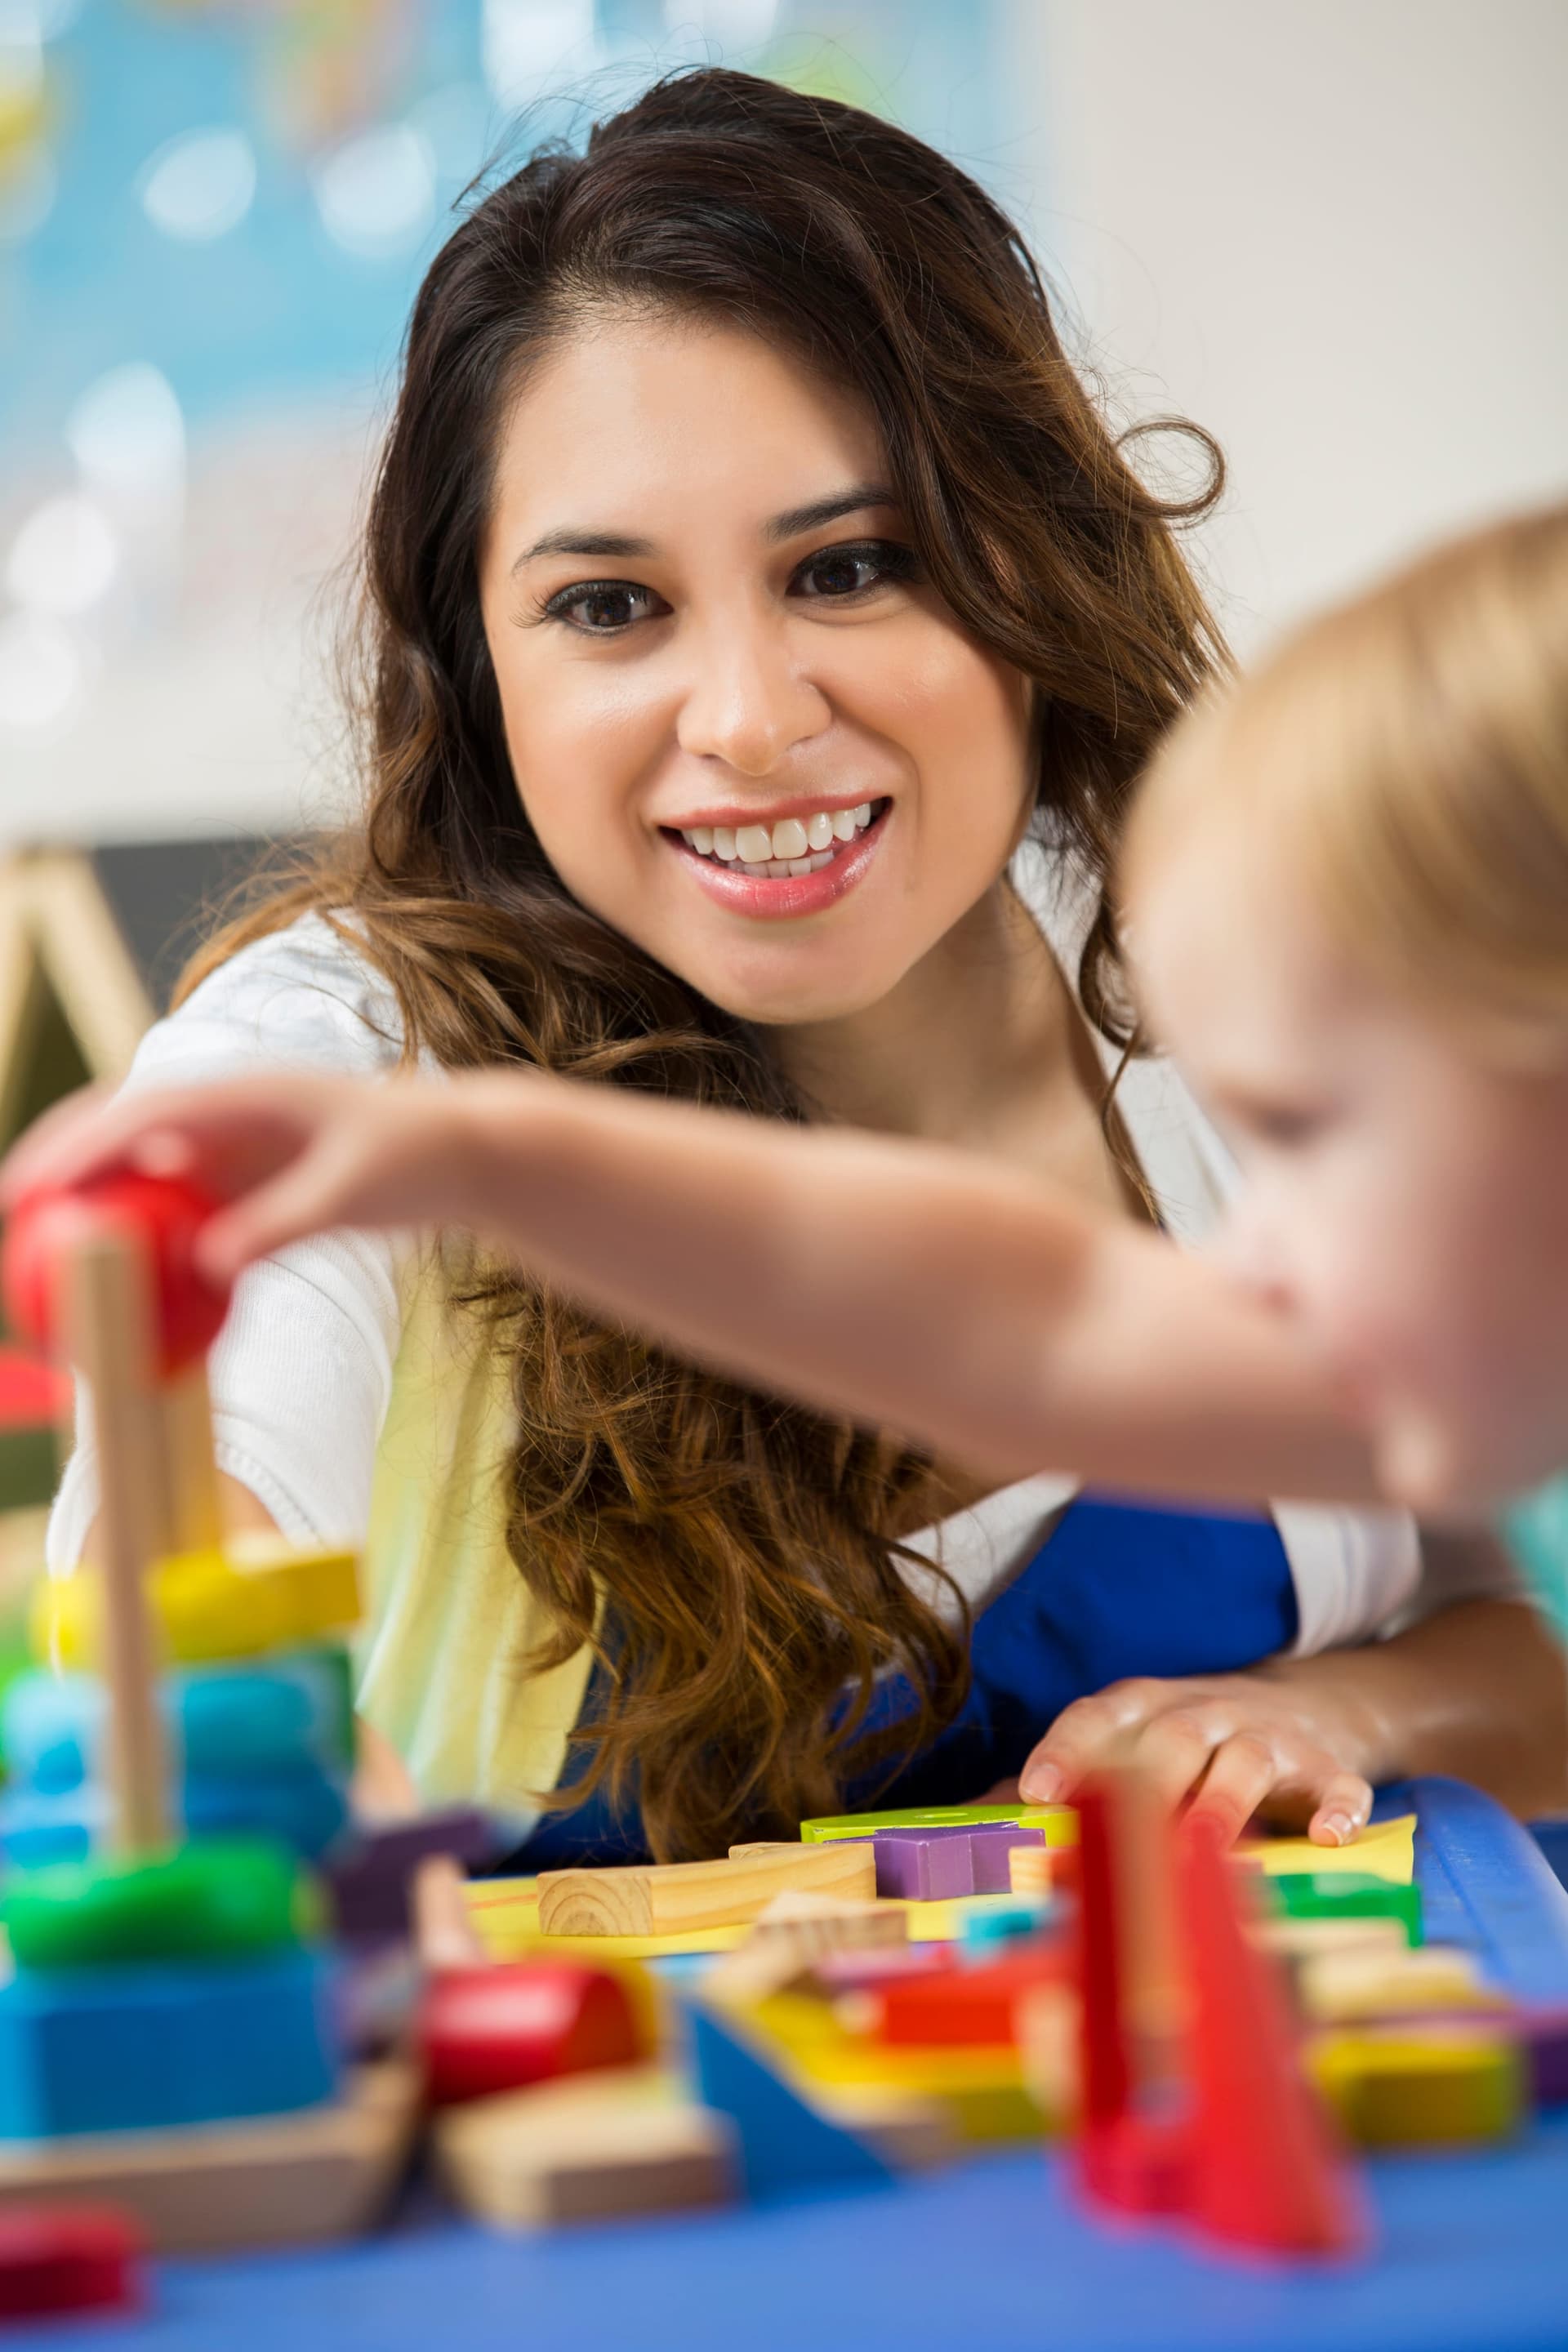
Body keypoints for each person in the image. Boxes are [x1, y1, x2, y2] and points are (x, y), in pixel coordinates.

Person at [19, 72, 1554, 1864]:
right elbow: (1015, 1314)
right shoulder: (334, 1044)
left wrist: (1346, 1711)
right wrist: (451, 1159)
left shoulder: (1258, 948)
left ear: (1031, 557)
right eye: (610, 606)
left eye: (850, 568)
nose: (749, 725)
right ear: (476, 666)